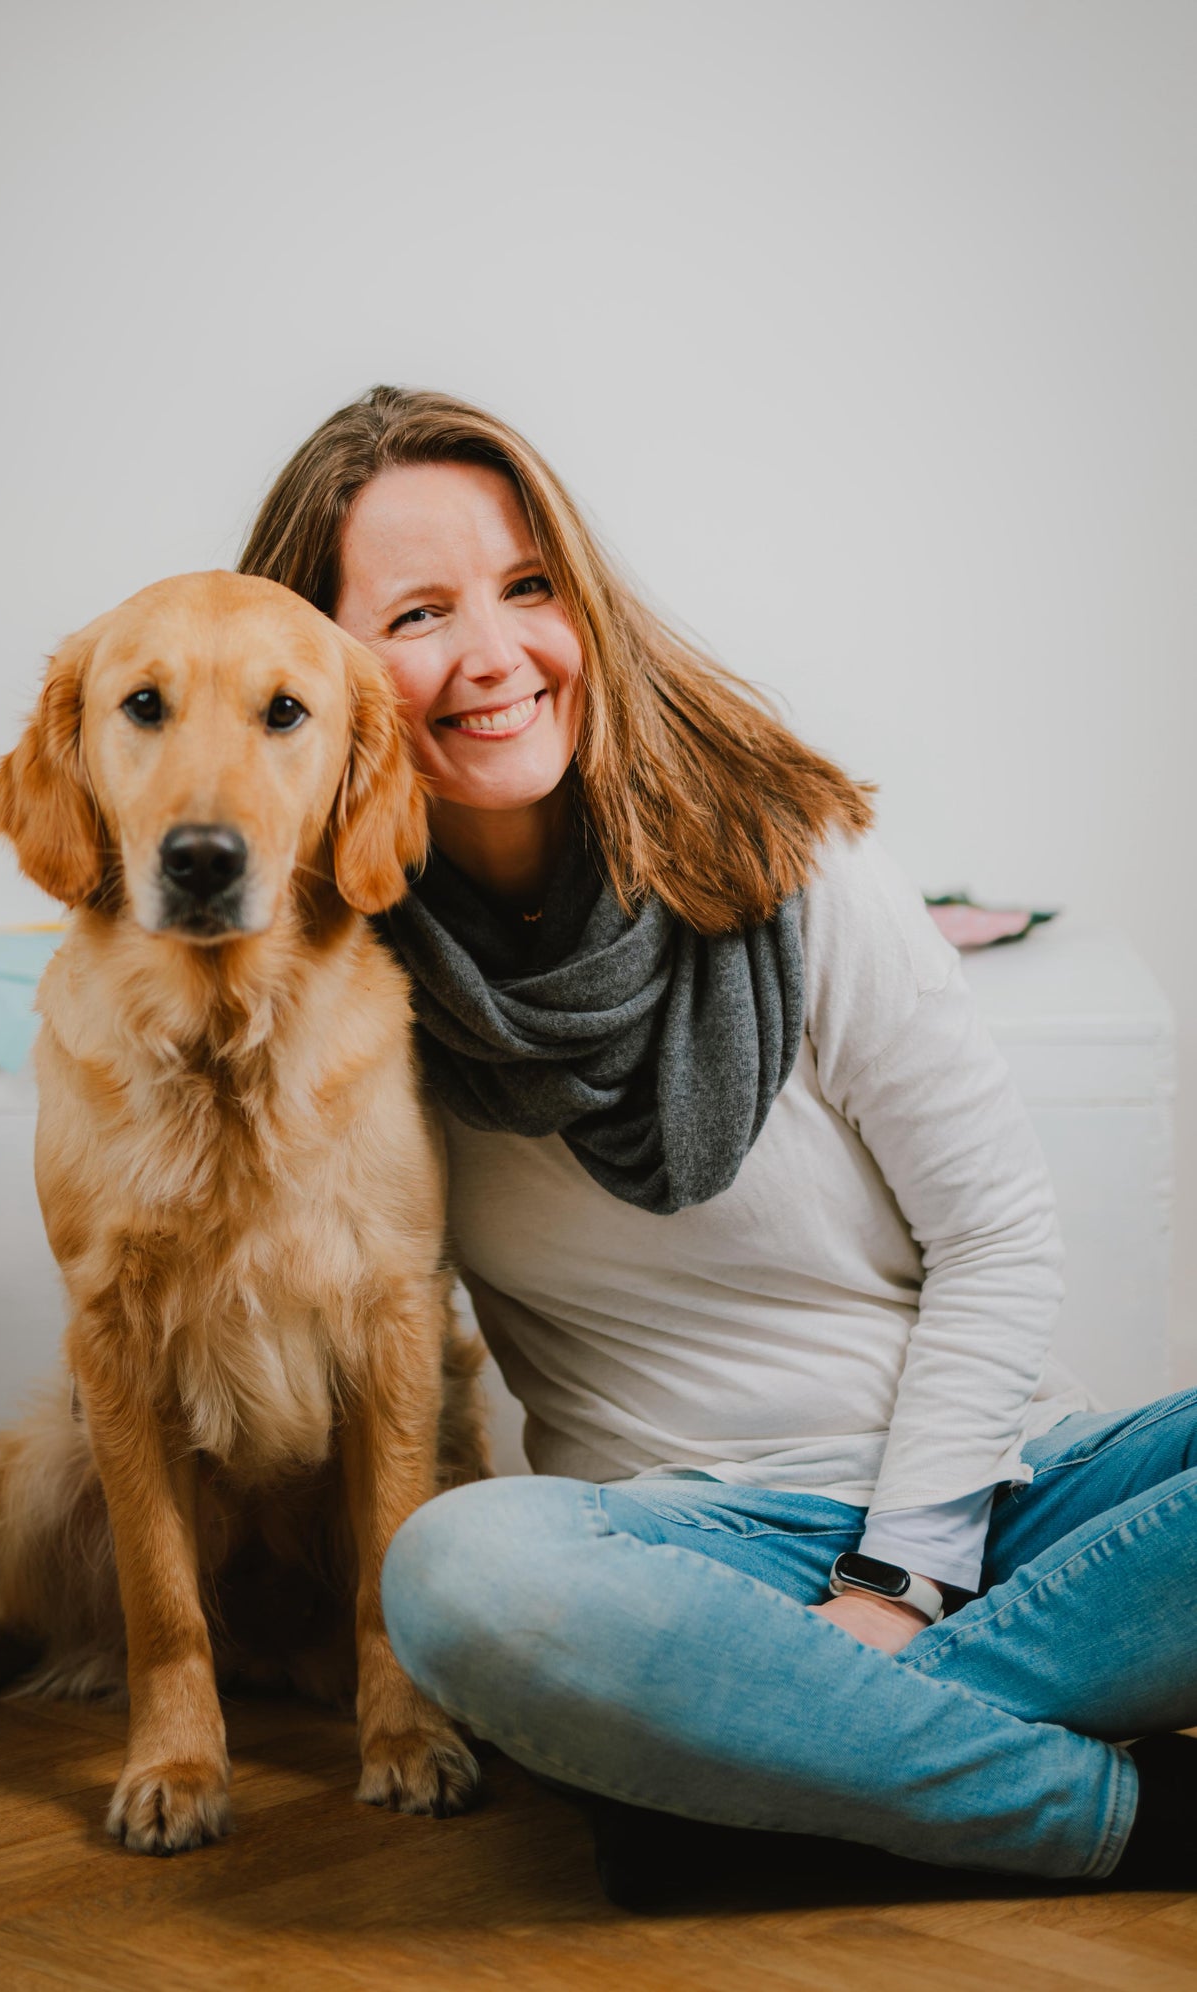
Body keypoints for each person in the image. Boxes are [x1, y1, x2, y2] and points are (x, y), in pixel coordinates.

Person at [238, 384, 1197, 1906]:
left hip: (1005, 1492)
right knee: (458, 1579)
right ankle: (1126, 1820)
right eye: (419, 613)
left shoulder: (795, 854)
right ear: (316, 667)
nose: (497, 656)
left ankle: (757, 1788)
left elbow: (998, 1234)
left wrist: (897, 1584)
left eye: (531, 587)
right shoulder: (346, 974)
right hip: (682, 1559)